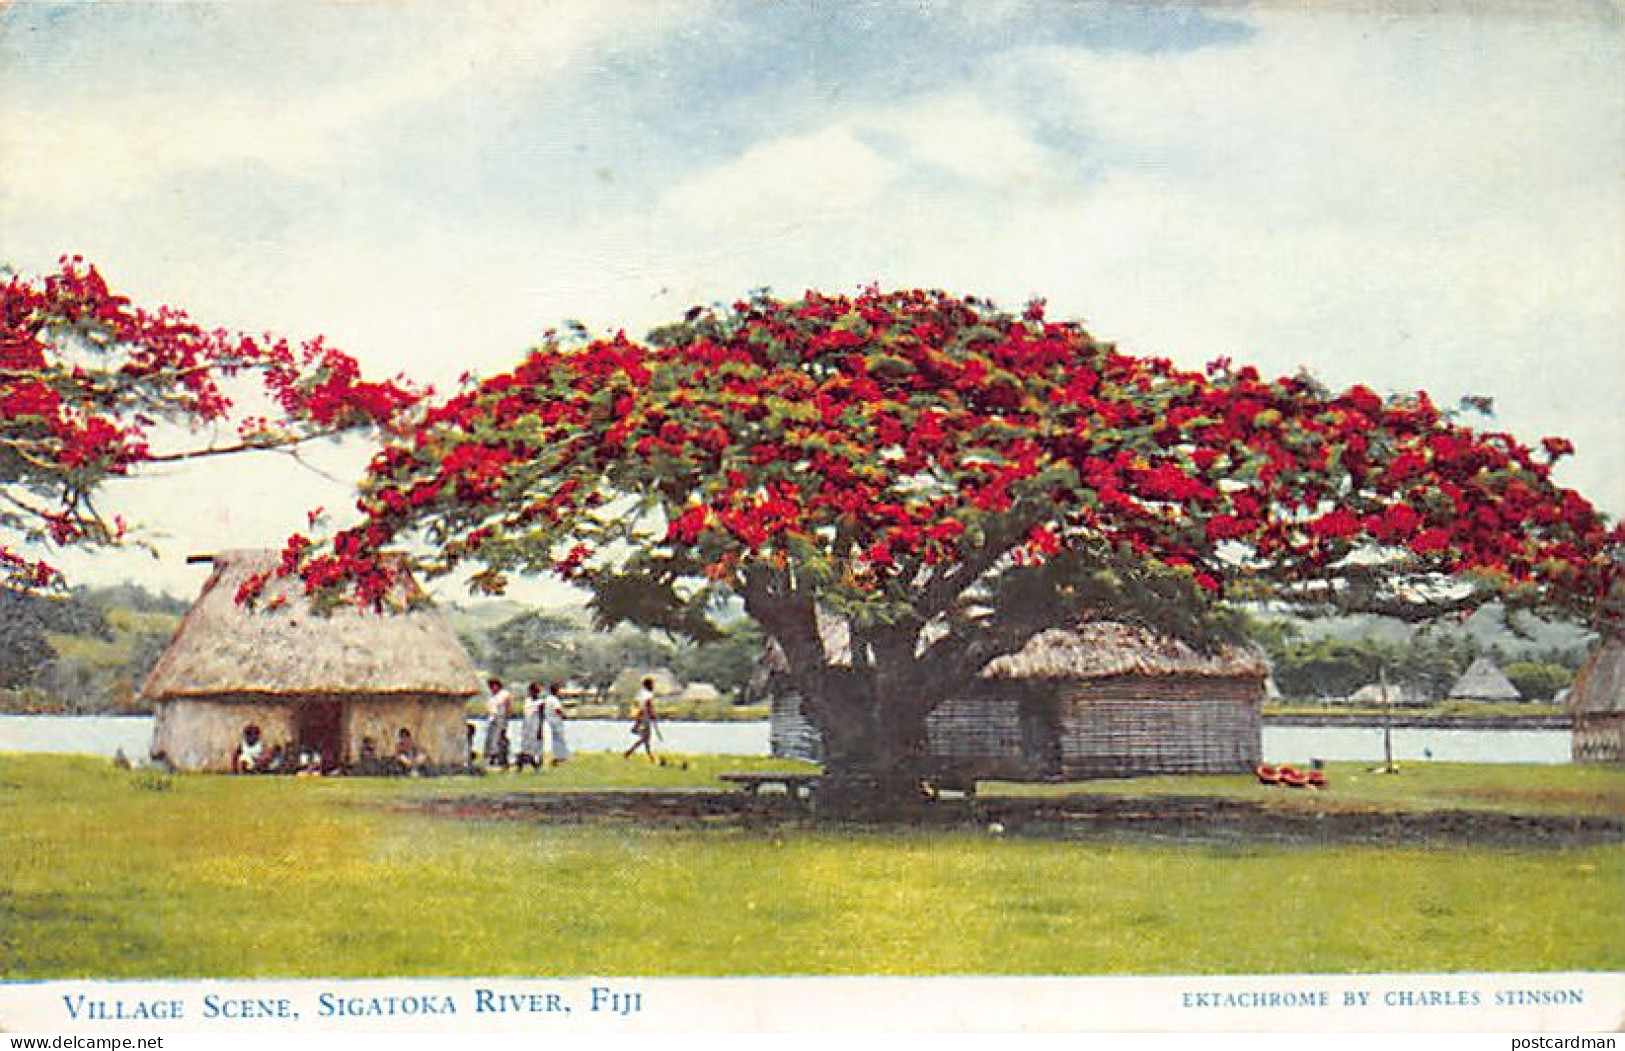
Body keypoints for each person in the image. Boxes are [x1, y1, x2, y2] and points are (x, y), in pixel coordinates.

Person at [622, 677, 659, 761]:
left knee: (646, 739)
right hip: (645, 718)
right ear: (649, 685)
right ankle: (629, 752)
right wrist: (652, 715)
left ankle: (650, 757)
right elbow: (648, 706)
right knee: (646, 738)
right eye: (652, 684)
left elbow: (636, 703)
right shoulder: (648, 694)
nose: (653, 686)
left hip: (641, 716)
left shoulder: (641, 693)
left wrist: (638, 717)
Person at [483, 678, 512, 769]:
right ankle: (492, 758)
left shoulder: (504, 694)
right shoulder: (491, 697)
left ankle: (503, 759)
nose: (492, 688)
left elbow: (508, 707)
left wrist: (506, 719)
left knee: (500, 739)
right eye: (490, 686)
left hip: (501, 719)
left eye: (493, 686)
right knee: (491, 740)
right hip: (492, 719)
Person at [516, 683, 545, 771]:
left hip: (535, 728)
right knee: (525, 748)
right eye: (533, 691)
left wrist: (540, 729)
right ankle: (520, 766)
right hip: (526, 728)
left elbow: (541, 717)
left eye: (537, 691)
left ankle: (536, 766)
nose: (534, 693)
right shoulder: (527, 701)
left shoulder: (540, 703)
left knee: (536, 749)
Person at [544, 682, 570, 765]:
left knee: (556, 739)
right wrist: (564, 715)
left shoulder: (548, 699)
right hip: (556, 721)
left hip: (550, 720)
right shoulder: (554, 699)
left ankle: (558, 756)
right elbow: (557, 709)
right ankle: (560, 757)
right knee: (560, 738)